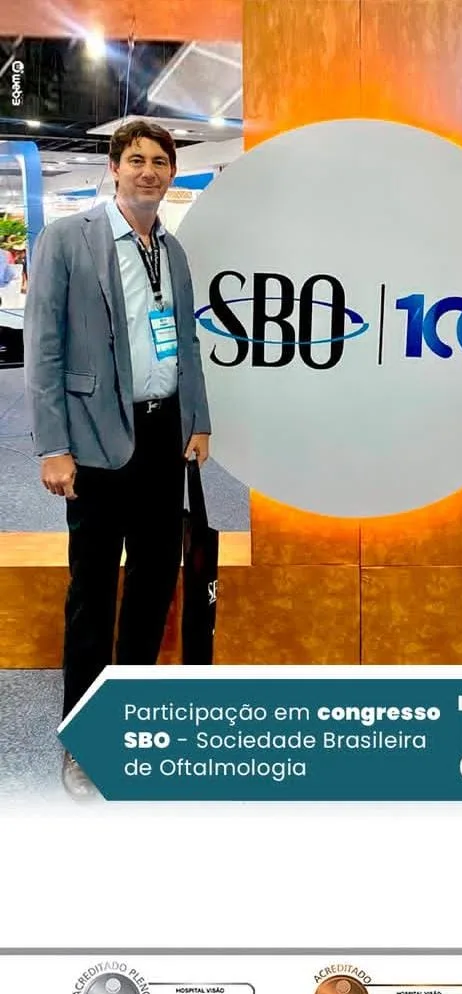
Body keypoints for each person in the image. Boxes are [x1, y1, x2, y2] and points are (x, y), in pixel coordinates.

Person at [25, 120, 211, 799]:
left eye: (160, 161)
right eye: (136, 159)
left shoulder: (173, 249)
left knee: (154, 587)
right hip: (95, 441)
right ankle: (83, 740)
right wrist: (53, 446)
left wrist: (198, 419)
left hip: (164, 440)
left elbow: (184, 341)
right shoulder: (67, 238)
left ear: (171, 173)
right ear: (114, 167)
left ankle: (129, 714)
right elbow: (44, 347)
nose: (149, 172)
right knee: (93, 594)